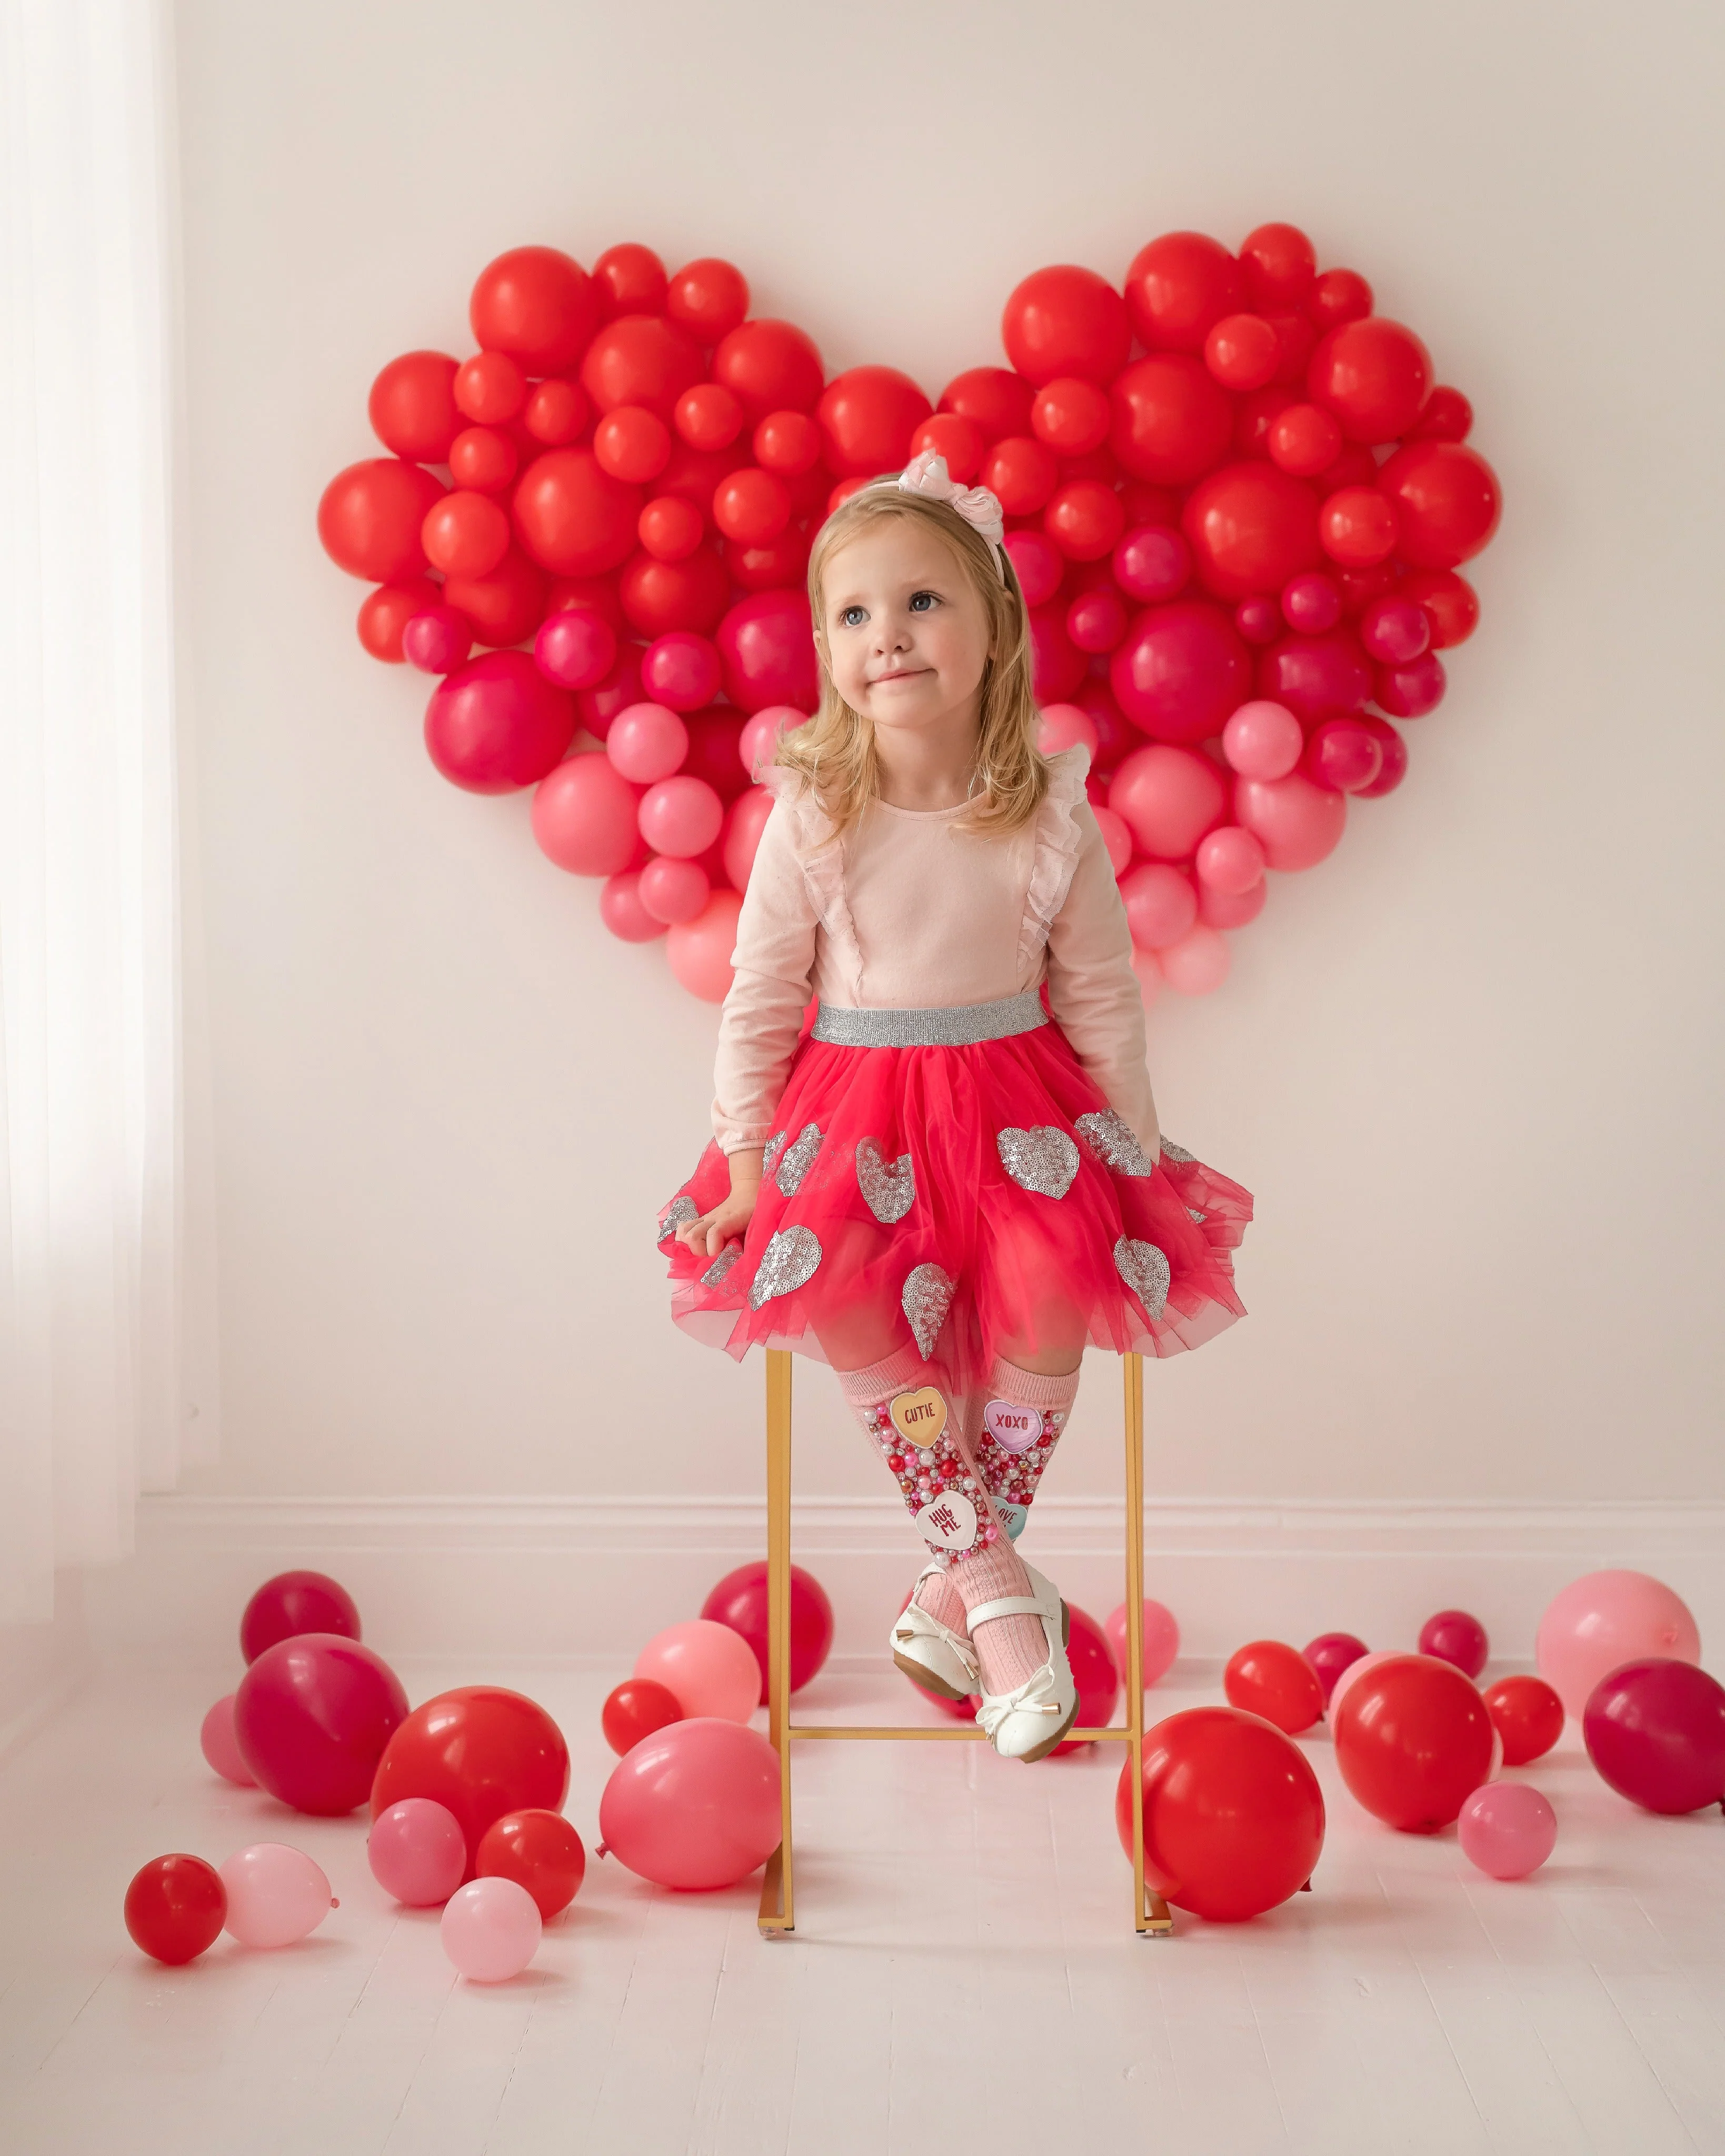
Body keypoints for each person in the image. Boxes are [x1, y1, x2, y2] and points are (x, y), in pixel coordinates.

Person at [660, 451, 1251, 1761]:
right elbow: (760, 998)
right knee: (858, 1298)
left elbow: (1101, 996)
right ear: (826, 648)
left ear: (995, 628)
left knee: (1049, 1301)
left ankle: (957, 1581)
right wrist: (749, 1158)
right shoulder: (816, 810)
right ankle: (999, 1598)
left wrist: (1137, 1151)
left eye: (924, 603)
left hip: (1016, 1100)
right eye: (857, 615)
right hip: (855, 1107)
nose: (890, 638)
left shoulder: (1045, 813)